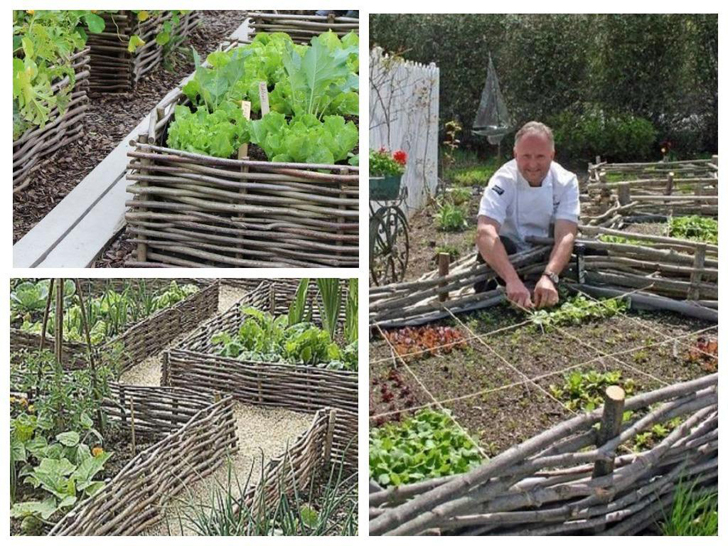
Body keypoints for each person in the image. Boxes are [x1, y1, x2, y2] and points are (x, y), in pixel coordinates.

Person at [475, 121, 579, 309]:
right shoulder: (502, 181)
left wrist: (549, 276)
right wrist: (512, 280)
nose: (532, 164)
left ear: (552, 155)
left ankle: (540, 285)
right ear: (515, 155)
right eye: (526, 156)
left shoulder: (566, 182)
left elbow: (565, 235)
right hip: (508, 255)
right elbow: (485, 232)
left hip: (543, 253)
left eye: (540, 156)